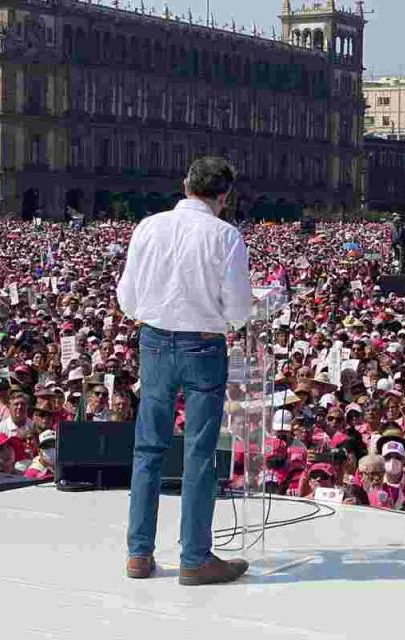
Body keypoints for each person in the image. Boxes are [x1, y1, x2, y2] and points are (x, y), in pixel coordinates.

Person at [118, 157, 253, 586]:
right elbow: (236, 308)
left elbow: (128, 298)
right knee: (198, 453)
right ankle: (194, 559)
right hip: (202, 345)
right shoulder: (225, 235)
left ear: (185, 184)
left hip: (155, 341)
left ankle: (138, 555)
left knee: (148, 450)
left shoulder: (148, 226)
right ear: (223, 195)